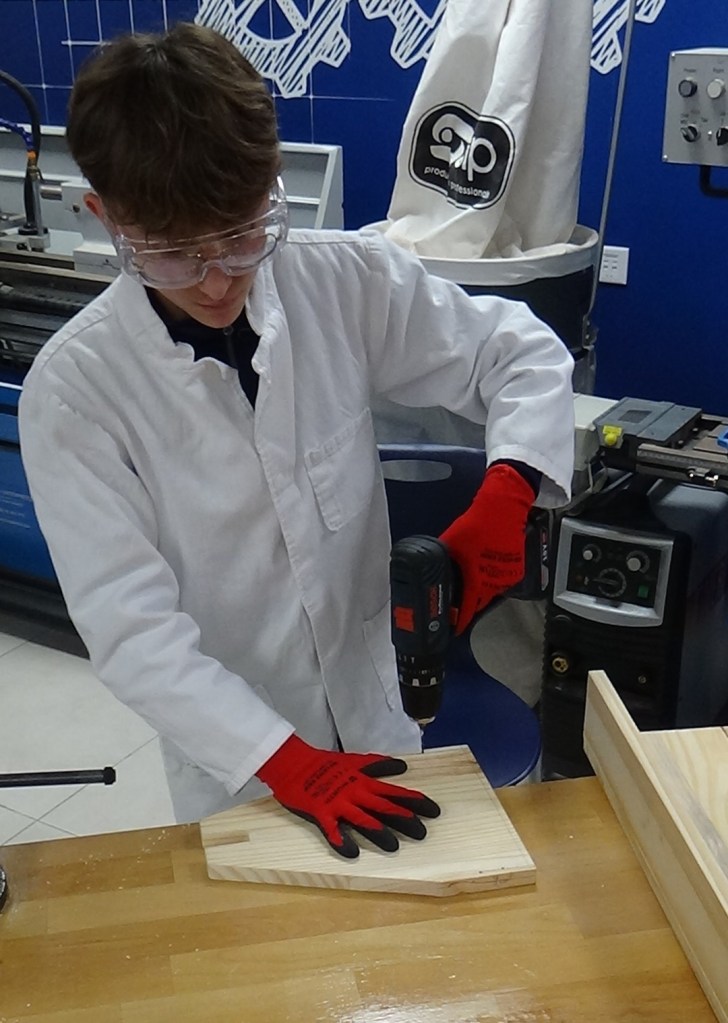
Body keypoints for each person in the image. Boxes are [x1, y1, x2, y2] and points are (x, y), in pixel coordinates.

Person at [18, 23, 575, 858]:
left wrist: (508, 492)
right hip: (240, 763)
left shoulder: (341, 281)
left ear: (270, 186)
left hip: (382, 716)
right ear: (104, 216)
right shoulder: (76, 393)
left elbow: (519, 353)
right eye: (174, 254)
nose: (217, 279)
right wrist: (287, 762)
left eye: (243, 235)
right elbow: (134, 634)